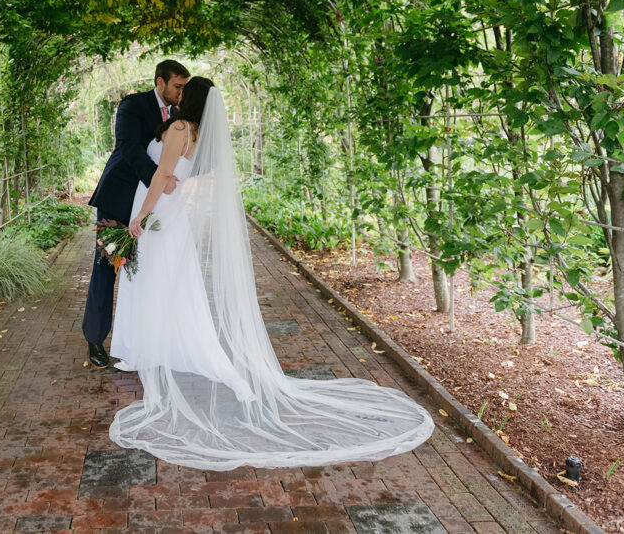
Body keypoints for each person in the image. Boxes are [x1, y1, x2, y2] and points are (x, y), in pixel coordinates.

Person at [108, 77, 435, 470]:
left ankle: (150, 347)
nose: (177, 95)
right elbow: (181, 174)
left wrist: (140, 215)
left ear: (189, 99)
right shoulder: (198, 135)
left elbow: (162, 176)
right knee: (169, 284)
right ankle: (168, 345)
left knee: (153, 282)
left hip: (158, 212)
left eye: (182, 91)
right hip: (173, 216)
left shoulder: (179, 128)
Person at [83, 60, 190, 369]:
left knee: (148, 269)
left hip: (153, 203)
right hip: (119, 197)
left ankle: (140, 338)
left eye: (185, 87)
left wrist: (165, 184)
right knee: (107, 264)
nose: (181, 93)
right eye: (177, 86)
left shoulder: (181, 115)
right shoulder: (133, 105)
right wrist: (160, 179)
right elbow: (129, 149)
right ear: (161, 83)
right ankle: (94, 338)